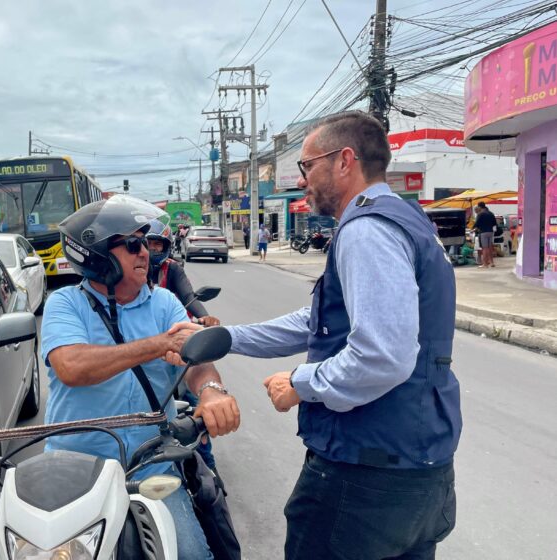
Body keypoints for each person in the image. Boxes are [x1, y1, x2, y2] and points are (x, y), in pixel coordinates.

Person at [169, 111, 460, 559]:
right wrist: (229, 336)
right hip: (419, 466)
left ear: (345, 161)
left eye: (308, 165)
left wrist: (301, 385)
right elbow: (319, 321)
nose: (302, 179)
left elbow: (384, 355)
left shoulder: (367, 230)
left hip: (365, 475)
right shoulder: (407, 220)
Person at [41, 195, 240, 560]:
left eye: (146, 243)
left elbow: (195, 360)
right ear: (97, 254)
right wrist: (159, 344)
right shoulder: (65, 303)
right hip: (75, 469)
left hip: (153, 468)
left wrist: (211, 392)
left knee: (191, 555)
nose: (144, 253)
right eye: (132, 244)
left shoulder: (164, 302)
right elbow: (72, 366)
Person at [146, 219, 221, 470]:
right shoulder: (131, 275)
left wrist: (204, 318)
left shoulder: (172, 270)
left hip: (178, 338)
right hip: (150, 345)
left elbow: (189, 298)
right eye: (148, 245)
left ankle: (208, 467)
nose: (152, 251)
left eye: (159, 245)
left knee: (196, 402)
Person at [474, 201, 497, 268]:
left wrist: (474, 229)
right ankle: (492, 263)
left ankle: (485, 264)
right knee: (490, 247)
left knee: (484, 248)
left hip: (483, 232)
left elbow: (477, 224)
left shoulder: (480, 214)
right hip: (490, 232)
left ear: (479, 206)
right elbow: (494, 223)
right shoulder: (491, 213)